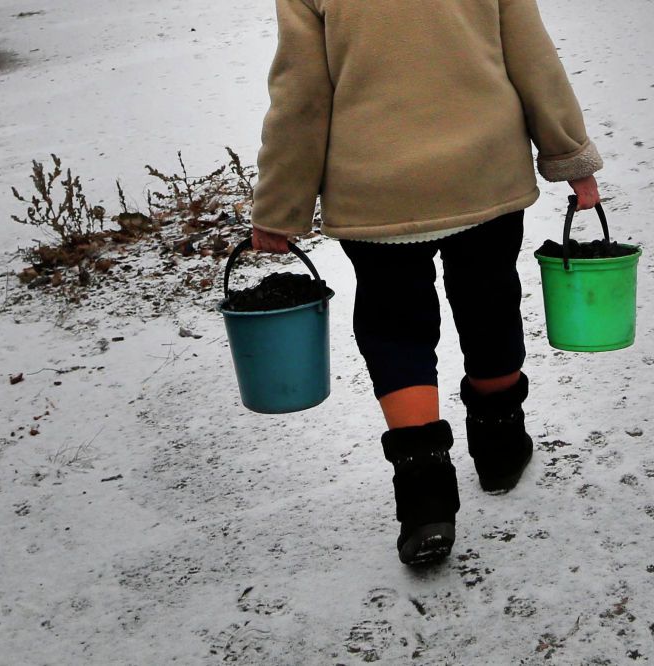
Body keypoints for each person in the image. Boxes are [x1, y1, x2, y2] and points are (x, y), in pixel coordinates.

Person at [249, 0, 602, 565]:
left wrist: (278, 207)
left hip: (375, 188)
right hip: (483, 176)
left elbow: (301, 98)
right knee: (489, 304)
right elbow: (534, 60)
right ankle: (501, 446)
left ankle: (425, 501)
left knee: (395, 330)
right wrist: (570, 157)